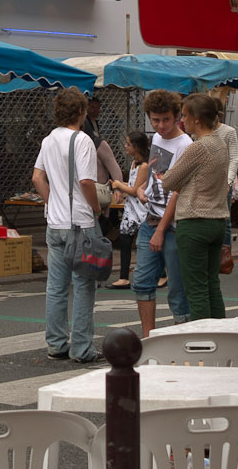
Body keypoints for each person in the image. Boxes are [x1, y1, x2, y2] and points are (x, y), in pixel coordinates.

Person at [32, 87, 104, 362]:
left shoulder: (49, 139)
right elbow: (86, 181)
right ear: (81, 112)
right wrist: (96, 207)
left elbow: (38, 178)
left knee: (56, 287)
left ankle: (56, 343)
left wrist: (53, 202)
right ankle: (82, 348)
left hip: (55, 223)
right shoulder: (82, 140)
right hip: (80, 223)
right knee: (84, 286)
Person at [151, 94, 230, 321]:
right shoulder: (220, 143)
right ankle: (221, 336)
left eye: (184, 115)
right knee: (211, 285)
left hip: (194, 221)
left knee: (195, 289)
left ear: (196, 119)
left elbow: (168, 181)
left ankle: (202, 343)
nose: (182, 120)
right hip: (217, 220)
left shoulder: (197, 148)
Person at [134, 90, 192, 328]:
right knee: (142, 282)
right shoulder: (156, 138)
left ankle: (184, 340)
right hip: (151, 218)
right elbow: (155, 172)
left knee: (178, 290)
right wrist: (141, 189)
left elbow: (178, 191)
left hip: (174, 225)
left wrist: (161, 230)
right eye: (155, 120)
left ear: (177, 116)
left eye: (166, 119)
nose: (160, 125)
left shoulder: (185, 144)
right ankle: (149, 340)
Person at [81, 95, 127, 287]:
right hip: (80, 199)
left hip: (97, 195)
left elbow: (115, 169)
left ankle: (95, 273)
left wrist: (118, 188)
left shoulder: (99, 144)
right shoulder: (72, 144)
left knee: (95, 235)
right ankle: (87, 273)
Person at [109, 131, 152, 296]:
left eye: (128, 144)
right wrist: (121, 186)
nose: (126, 147)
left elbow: (135, 190)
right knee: (125, 241)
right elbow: (133, 185)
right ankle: (124, 277)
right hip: (130, 210)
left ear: (137, 146)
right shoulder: (135, 163)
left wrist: (120, 185)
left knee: (145, 244)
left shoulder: (144, 166)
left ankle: (160, 274)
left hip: (140, 211)